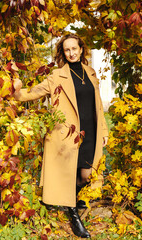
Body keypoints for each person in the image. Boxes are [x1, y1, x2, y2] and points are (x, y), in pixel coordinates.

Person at [13, 33, 109, 238]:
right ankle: (73, 214)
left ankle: (72, 200)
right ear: (63, 52)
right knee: (69, 172)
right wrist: (18, 91)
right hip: (67, 134)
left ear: (81, 49)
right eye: (67, 50)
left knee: (86, 174)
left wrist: (104, 130)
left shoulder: (90, 73)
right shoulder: (56, 76)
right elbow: (32, 93)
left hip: (90, 129)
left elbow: (98, 105)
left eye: (74, 49)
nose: (71, 53)